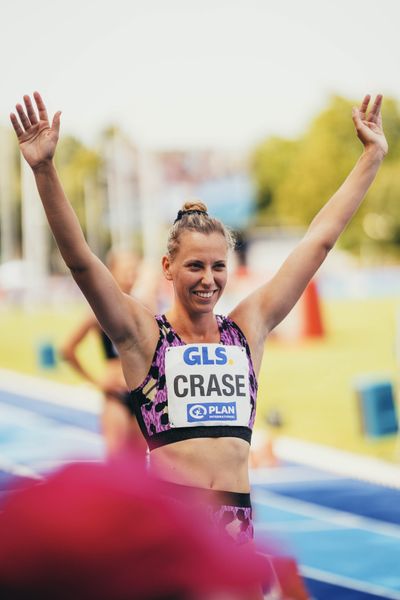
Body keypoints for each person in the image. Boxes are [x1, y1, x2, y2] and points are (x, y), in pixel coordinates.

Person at [10, 92, 387, 550]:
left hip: (236, 529)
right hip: (170, 529)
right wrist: (45, 170)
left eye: (218, 266)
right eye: (195, 266)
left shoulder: (246, 329)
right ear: (168, 268)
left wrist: (372, 156)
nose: (209, 280)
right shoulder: (144, 336)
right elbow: (83, 262)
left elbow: (318, 243)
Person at [60, 249, 149, 455]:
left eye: (134, 271)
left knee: (139, 469)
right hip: (116, 396)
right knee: (116, 465)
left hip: (141, 396)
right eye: (126, 270)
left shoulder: (144, 309)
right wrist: (95, 381)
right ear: (111, 271)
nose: (131, 276)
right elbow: (67, 349)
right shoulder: (98, 311)